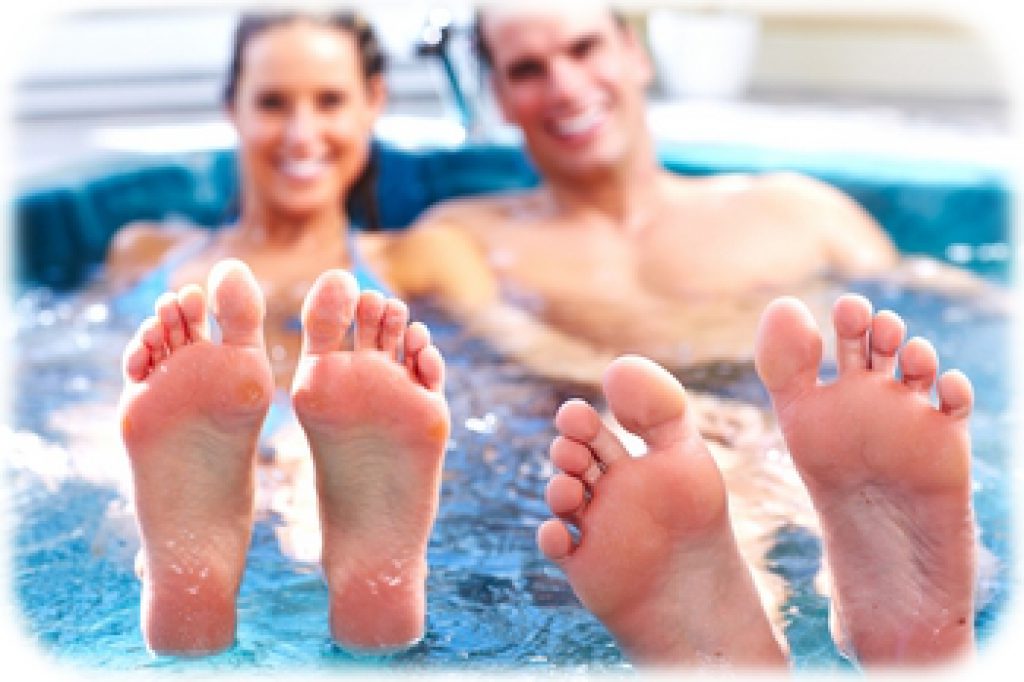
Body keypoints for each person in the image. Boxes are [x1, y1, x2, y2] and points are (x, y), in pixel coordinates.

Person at [111, 12, 451, 656]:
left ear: (373, 103)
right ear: (231, 108)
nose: (302, 133)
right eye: (272, 103)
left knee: (301, 451)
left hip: (306, 438)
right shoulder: (142, 250)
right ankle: (349, 581)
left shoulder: (423, 255)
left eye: (329, 101)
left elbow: (531, 353)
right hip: (181, 442)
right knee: (105, 438)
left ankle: (197, 580)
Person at [537, 294, 976, 667]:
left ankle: (729, 640)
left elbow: (500, 343)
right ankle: (925, 646)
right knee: (730, 485)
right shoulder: (800, 209)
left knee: (693, 489)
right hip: (772, 421)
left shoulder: (490, 239)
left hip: (734, 418)